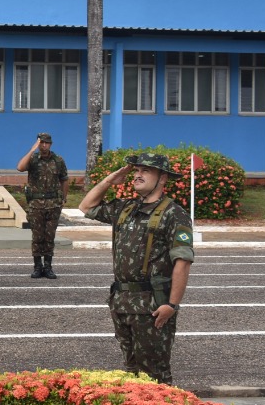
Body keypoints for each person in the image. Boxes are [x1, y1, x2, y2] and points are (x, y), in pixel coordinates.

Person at [79, 153, 194, 385]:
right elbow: (86, 206)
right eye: (137, 171)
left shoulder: (175, 214)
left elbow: (182, 261)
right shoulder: (126, 208)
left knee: (155, 376)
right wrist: (110, 181)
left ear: (162, 179)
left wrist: (171, 305)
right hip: (122, 302)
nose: (138, 175)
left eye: (146, 171)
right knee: (132, 374)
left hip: (152, 305)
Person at [17, 132, 69, 279]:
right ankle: (37, 267)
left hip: (53, 205)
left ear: (51, 144)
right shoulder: (32, 159)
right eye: (41, 143)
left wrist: (63, 199)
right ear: (38, 144)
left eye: (47, 143)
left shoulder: (58, 160)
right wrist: (32, 150)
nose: (44, 145)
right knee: (37, 237)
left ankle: (48, 267)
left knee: (49, 237)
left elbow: (64, 179)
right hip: (36, 205)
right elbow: (20, 168)